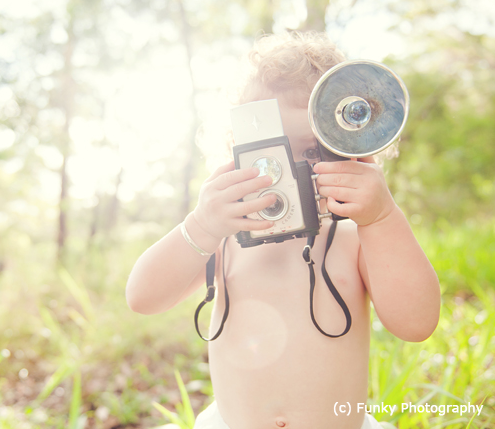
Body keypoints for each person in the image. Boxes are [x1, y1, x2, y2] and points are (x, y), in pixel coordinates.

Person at [126, 31, 440, 429]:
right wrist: (201, 226)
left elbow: (417, 324)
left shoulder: (355, 239)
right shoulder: (227, 234)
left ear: (354, 148)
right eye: (270, 149)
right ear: (236, 150)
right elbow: (143, 297)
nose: (291, 171)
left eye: (312, 149)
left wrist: (381, 218)